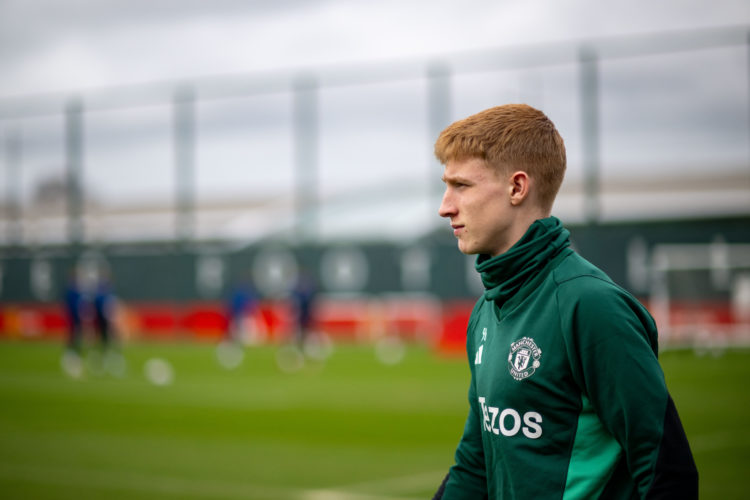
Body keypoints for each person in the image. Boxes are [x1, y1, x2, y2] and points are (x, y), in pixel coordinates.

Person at [431, 104, 698, 499]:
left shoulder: (591, 306)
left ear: (517, 188)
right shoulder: (487, 309)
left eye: (462, 186)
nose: (445, 206)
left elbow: (666, 473)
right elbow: (475, 465)